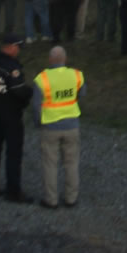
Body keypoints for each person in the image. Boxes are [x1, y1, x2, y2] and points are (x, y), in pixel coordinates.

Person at [0, 34, 34, 203]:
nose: (18, 51)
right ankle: (13, 190)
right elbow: (19, 90)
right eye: (17, 47)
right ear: (10, 46)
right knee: (13, 152)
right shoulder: (12, 67)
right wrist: (30, 94)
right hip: (10, 113)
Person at [34, 45, 85, 209]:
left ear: (50, 60)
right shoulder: (77, 75)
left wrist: (38, 123)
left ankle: (51, 199)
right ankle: (71, 198)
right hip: (72, 125)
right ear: (65, 59)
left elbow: (36, 106)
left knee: (50, 164)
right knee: (71, 163)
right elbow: (81, 95)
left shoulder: (41, 79)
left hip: (50, 126)